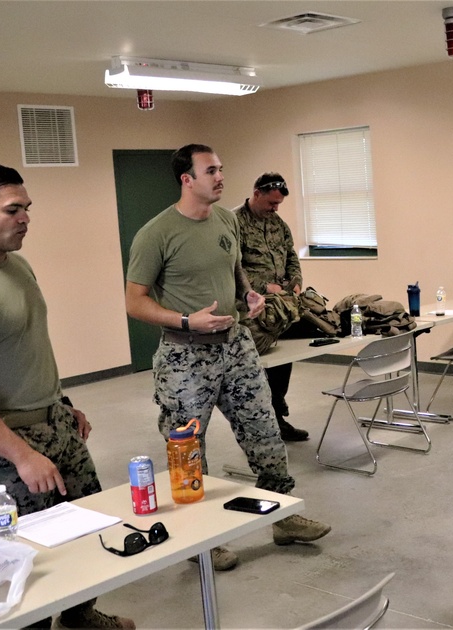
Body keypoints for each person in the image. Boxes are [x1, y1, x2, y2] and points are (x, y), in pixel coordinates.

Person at [0, 164, 134, 629]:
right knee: (23, 562)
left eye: (27, 208)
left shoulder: (16, 264)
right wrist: (23, 455)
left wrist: (60, 405)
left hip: (56, 428)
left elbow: (25, 347)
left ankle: (80, 617)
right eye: (12, 209)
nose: (25, 218)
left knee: (88, 533)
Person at [125, 145, 330, 572]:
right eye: (211, 170)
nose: (220, 177)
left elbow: (235, 268)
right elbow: (135, 302)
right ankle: (200, 540)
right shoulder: (156, 233)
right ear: (187, 179)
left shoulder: (223, 220)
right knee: (188, 452)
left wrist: (248, 294)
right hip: (185, 356)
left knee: (266, 433)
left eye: (221, 169)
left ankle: (283, 517)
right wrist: (185, 320)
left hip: (236, 347)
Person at [234, 172, 308, 442]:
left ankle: (278, 416)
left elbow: (291, 257)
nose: (274, 209)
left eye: (278, 204)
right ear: (256, 194)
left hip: (281, 309)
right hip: (252, 311)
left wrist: (296, 281)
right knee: (259, 367)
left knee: (283, 362)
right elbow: (233, 268)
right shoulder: (234, 223)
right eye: (271, 203)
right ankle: (263, 425)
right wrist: (265, 286)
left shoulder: (278, 224)